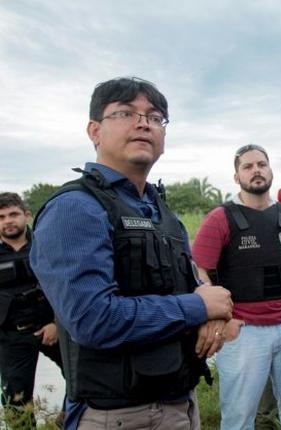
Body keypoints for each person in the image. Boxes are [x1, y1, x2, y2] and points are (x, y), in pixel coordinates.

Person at [30, 77, 233, 429]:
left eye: (154, 117)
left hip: (180, 400)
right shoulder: (76, 208)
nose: (143, 123)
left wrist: (210, 308)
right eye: (125, 112)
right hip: (119, 414)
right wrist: (198, 307)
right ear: (94, 131)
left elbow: (190, 271)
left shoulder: (160, 211)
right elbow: (92, 319)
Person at [192, 144, 281, 429]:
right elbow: (197, 269)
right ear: (237, 177)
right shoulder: (220, 218)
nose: (256, 170)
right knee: (239, 418)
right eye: (247, 166)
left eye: (262, 164)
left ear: (270, 170)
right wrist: (221, 318)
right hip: (243, 334)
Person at [0, 192, 63, 428]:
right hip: (12, 335)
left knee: (84, 381)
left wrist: (57, 324)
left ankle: (59, 425)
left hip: (52, 329)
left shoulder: (49, 246)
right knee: (15, 400)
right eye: (2, 216)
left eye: (13, 214)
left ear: (26, 215)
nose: (8, 221)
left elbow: (66, 287)